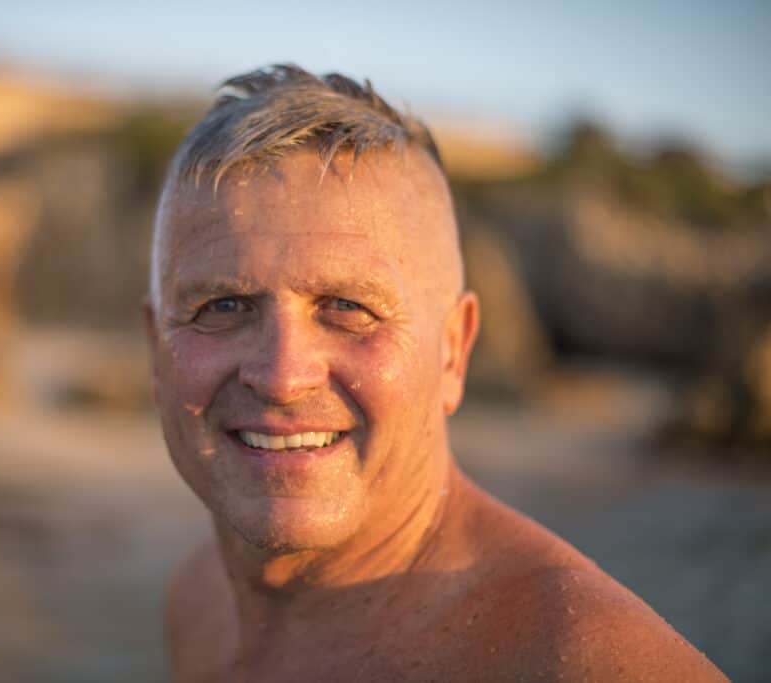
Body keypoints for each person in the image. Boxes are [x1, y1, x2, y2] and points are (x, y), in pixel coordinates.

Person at [144, 64, 726, 682]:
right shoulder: (199, 600)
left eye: (348, 308)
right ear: (154, 350)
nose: (283, 376)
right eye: (224, 307)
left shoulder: (582, 662)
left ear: (454, 351)